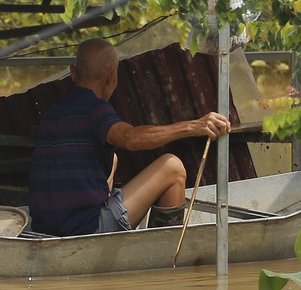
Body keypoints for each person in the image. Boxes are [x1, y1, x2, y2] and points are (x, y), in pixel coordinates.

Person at [27, 37, 229, 236]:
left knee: (112, 159)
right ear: (111, 77)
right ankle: (162, 259)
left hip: (45, 231)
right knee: (172, 168)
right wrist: (194, 126)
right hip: (86, 230)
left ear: (73, 73)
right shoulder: (96, 110)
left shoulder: (51, 115)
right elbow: (130, 138)